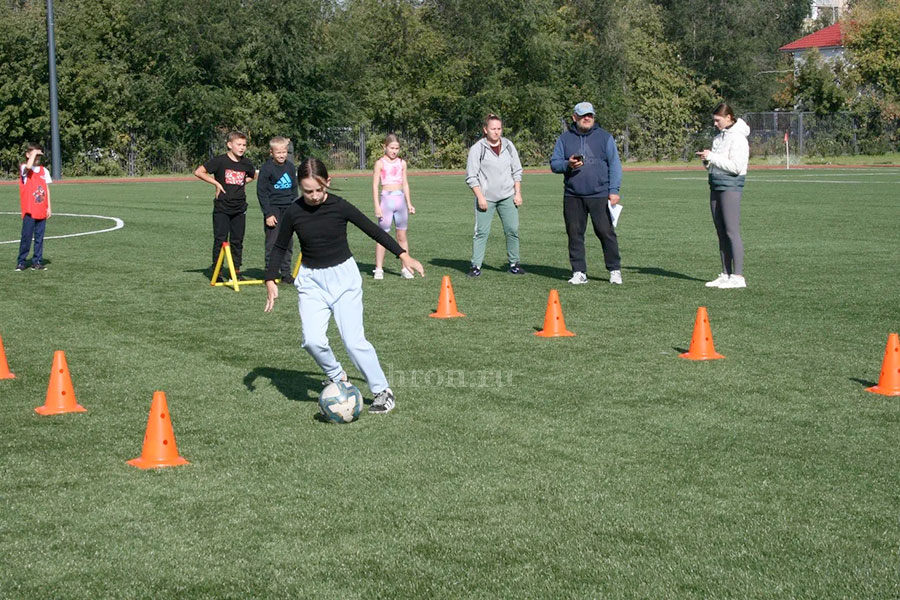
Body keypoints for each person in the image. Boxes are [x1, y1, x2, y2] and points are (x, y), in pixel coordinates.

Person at [263, 158, 424, 415]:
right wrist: (270, 279)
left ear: (328, 182)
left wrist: (403, 255)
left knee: (353, 341)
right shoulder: (294, 211)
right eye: (307, 191)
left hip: (344, 279)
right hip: (312, 282)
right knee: (312, 341)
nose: (314, 196)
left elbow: (374, 230)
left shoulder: (340, 206)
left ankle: (382, 391)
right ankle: (336, 375)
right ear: (299, 188)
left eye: (318, 190)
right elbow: (280, 245)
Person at [550, 102, 623, 285]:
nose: (587, 118)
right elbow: (554, 164)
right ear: (574, 117)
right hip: (573, 195)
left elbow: (615, 165)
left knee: (606, 232)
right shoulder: (564, 139)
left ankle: (614, 270)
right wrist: (568, 164)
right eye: (583, 116)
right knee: (574, 234)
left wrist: (614, 190)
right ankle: (579, 272)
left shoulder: (605, 137)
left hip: (600, 194)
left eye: (590, 115)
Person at [696, 103, 750, 289]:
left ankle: (738, 275)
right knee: (721, 232)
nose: (715, 124)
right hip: (716, 185)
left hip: (731, 186)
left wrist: (713, 157)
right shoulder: (719, 138)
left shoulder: (739, 139)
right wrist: (707, 161)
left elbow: (736, 166)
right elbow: (716, 163)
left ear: (729, 118)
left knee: (731, 231)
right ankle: (725, 273)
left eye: (718, 120)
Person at [464, 114, 525, 277]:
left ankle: (514, 263)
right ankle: (475, 266)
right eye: (493, 129)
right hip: (486, 198)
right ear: (485, 130)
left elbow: (517, 171)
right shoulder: (478, 148)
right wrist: (480, 197)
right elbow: (471, 176)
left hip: (507, 196)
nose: (496, 132)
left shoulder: (509, 146)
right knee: (481, 232)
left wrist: (517, 193)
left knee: (512, 230)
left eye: (499, 128)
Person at [193, 131, 256, 280]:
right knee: (221, 239)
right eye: (238, 144)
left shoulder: (246, 163)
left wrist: (241, 183)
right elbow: (199, 172)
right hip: (222, 206)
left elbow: (253, 175)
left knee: (237, 240)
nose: (242, 148)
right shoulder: (220, 161)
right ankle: (218, 271)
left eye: (244, 145)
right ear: (229, 145)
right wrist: (216, 183)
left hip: (240, 207)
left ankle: (236, 271)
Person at [372, 134, 416, 280]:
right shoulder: (380, 163)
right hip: (386, 200)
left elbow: (405, 183)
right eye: (392, 148)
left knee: (402, 235)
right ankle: (379, 268)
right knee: (382, 236)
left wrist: (409, 203)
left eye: (397, 148)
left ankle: (406, 267)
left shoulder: (402, 163)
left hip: (400, 201)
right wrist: (377, 206)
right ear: (385, 147)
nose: (394, 151)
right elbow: (374, 185)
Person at [257, 136, 298, 284]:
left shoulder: (290, 167)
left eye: (284, 152)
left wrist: (295, 208)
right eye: (278, 152)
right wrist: (268, 213)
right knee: (272, 242)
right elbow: (261, 192)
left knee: (288, 242)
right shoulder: (267, 168)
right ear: (271, 152)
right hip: (273, 209)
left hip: (288, 208)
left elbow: (294, 189)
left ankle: (286, 273)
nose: (281, 155)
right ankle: (270, 274)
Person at [16, 143, 52, 271]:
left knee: (39, 238)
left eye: (38, 155)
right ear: (28, 155)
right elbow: (29, 166)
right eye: (34, 155)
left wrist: (49, 207)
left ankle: (37, 261)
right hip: (30, 210)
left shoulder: (44, 171)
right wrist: (33, 153)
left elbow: (46, 189)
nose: (37, 158)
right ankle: (21, 261)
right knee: (26, 237)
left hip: (41, 209)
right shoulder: (25, 168)